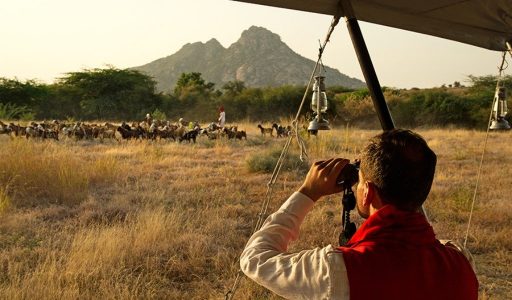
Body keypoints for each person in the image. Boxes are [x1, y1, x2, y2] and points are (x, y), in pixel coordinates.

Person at [240, 129, 478, 300]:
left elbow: (255, 259)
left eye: (361, 181)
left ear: (367, 194)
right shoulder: (461, 262)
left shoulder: (338, 270)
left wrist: (307, 192)